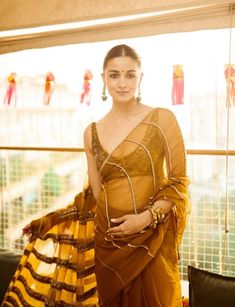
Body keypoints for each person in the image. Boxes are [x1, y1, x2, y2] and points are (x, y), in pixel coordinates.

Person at [1, 44, 190, 307]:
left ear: (141, 78)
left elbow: (179, 182)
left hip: (151, 243)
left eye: (130, 75)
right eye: (114, 75)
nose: (122, 83)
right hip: (109, 246)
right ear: (103, 79)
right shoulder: (91, 133)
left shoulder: (163, 120)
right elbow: (92, 195)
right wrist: (49, 221)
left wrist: (146, 219)